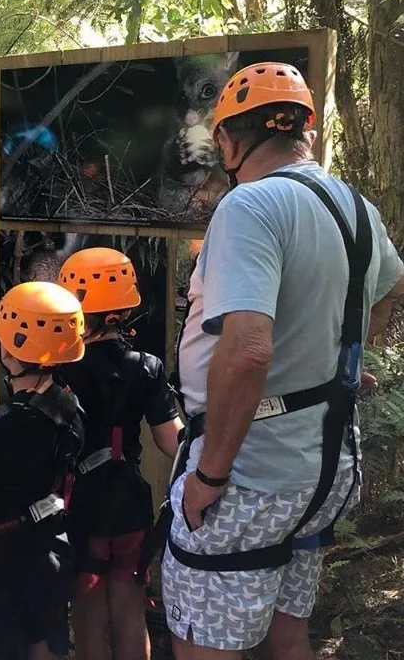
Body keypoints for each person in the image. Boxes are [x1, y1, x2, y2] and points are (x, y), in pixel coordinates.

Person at [162, 61, 404, 660]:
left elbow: (246, 351)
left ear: (231, 140)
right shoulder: (356, 209)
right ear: (306, 132)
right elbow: (393, 291)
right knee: (285, 633)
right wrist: (336, 360)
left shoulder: (250, 207)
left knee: (202, 646)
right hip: (321, 472)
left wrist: (210, 474)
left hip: (249, 476)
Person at [55, 247, 183, 660]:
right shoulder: (146, 367)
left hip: (82, 506)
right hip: (129, 502)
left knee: (89, 614)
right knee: (130, 611)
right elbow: (171, 441)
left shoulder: (61, 368)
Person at [0, 281, 86, 660]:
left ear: (11, 351)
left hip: (3, 561)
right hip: (52, 546)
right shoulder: (72, 409)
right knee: (47, 637)